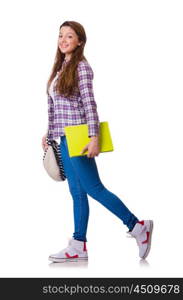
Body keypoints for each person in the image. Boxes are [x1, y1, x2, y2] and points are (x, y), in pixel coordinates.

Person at [42, 21, 153, 263]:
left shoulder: (81, 67)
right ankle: (78, 244)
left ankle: (138, 226)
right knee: (77, 192)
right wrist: (49, 133)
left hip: (79, 136)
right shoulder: (61, 68)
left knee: (94, 188)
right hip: (64, 138)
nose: (63, 40)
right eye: (60, 35)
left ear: (79, 41)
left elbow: (89, 103)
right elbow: (57, 107)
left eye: (69, 36)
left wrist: (94, 137)